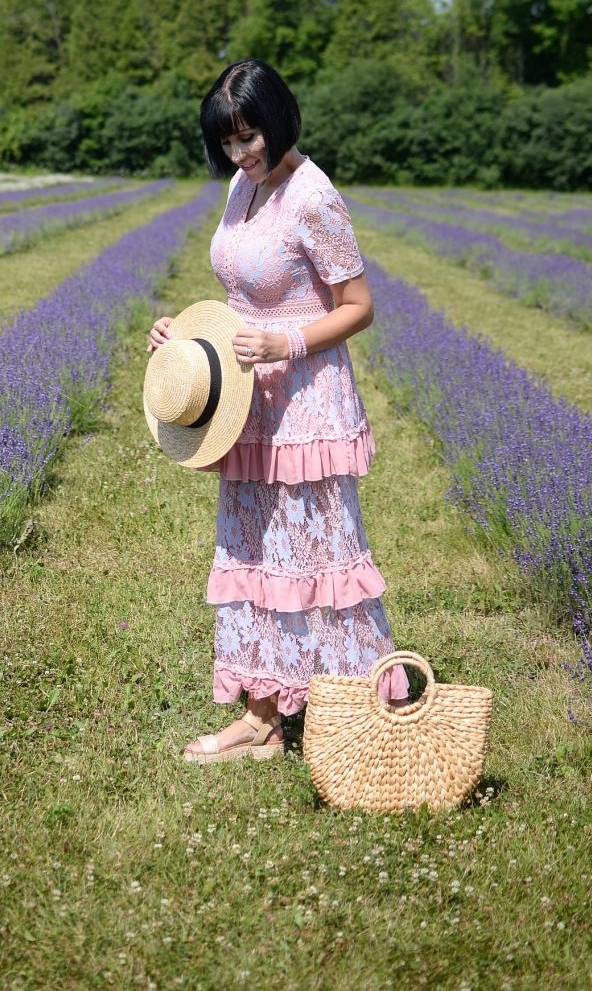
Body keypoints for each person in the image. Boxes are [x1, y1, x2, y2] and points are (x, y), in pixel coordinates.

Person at [148, 58, 408, 761]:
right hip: (245, 399)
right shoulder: (243, 187)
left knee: (318, 559)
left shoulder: (312, 195)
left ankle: (362, 713)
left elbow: (359, 307)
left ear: (279, 119)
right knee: (252, 553)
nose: (240, 154)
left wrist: (283, 341)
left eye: (249, 137)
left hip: (305, 403)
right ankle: (261, 718)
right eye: (227, 143)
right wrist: (187, 338)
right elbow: (240, 290)